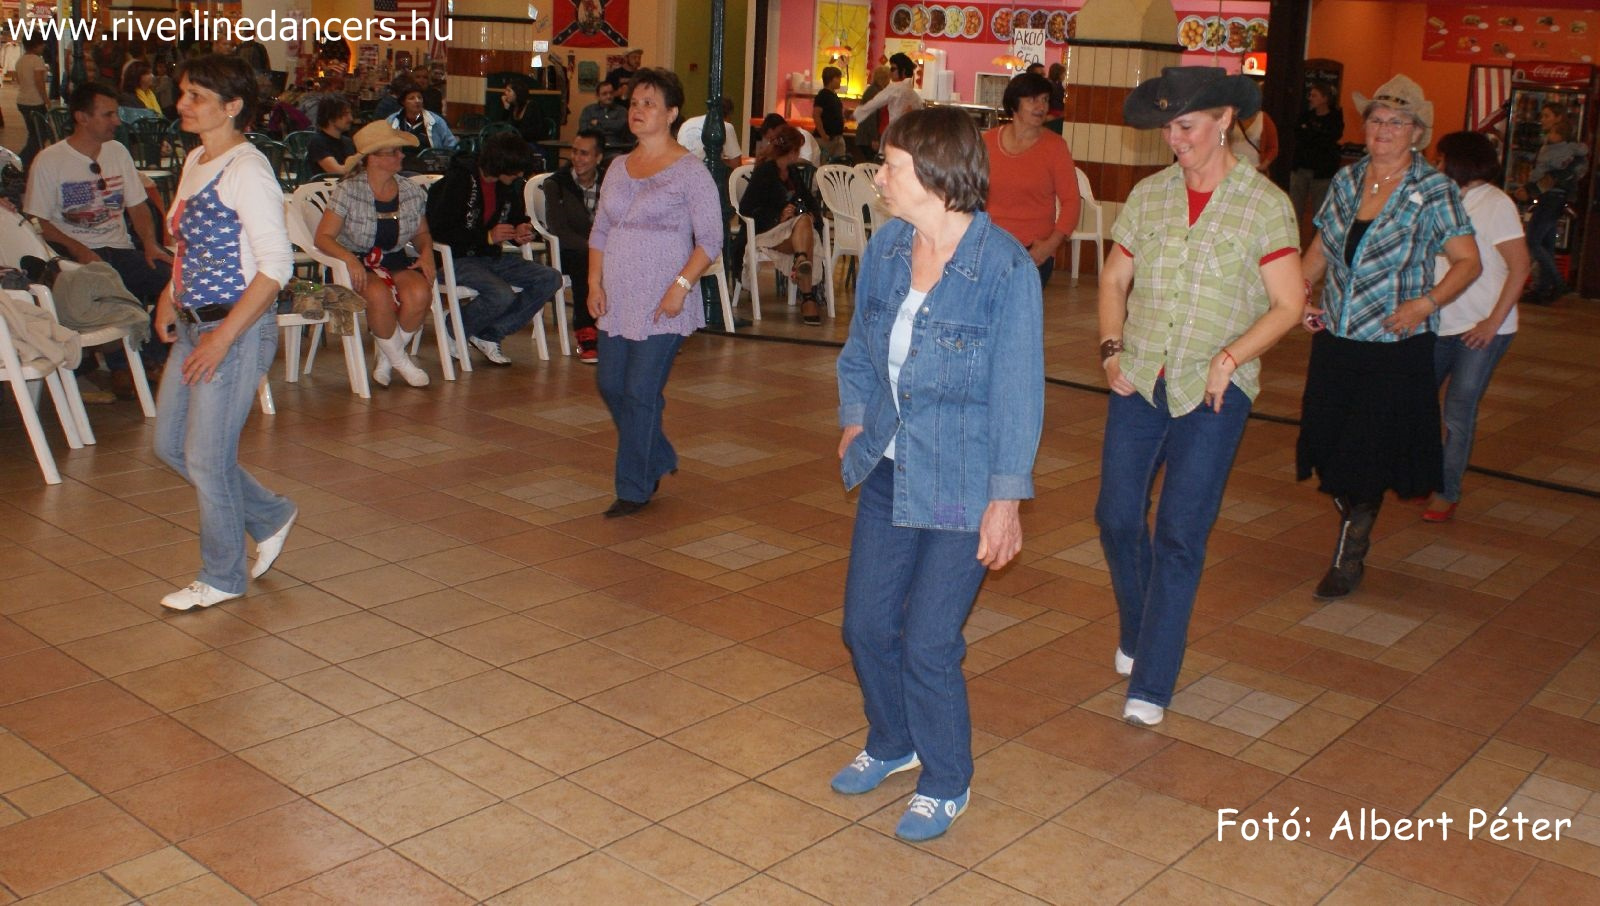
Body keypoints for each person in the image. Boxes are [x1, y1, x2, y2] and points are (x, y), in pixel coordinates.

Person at [833, 106, 1043, 842]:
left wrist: (1006, 502)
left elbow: (1019, 395)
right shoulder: (890, 247)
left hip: (965, 479)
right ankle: (893, 741)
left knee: (927, 641)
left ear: (934, 176)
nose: (879, 178)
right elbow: (860, 349)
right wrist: (857, 415)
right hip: (891, 464)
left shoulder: (1005, 270)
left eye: (889, 166)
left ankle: (946, 778)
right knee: (864, 626)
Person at [1095, 67, 1303, 728]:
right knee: (1116, 517)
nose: (1173, 139)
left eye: (1184, 126)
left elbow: (1290, 304)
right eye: (1167, 128)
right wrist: (1109, 346)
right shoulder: (1150, 197)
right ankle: (1141, 624)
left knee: (1180, 535)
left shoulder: (1262, 204)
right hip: (1141, 376)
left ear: (1223, 121)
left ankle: (1152, 681)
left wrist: (1231, 356)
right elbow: (1113, 278)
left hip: (1214, 393)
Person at [1298, 74, 1481, 601]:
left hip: (1397, 345)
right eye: (1376, 119)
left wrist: (1425, 304)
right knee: (1330, 449)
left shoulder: (1434, 190)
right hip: (1338, 338)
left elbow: (1468, 262)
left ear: (1417, 133)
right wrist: (1302, 297)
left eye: (1397, 122)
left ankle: (1349, 554)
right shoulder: (1346, 180)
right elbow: (1319, 251)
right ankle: (1355, 517)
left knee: (1368, 451)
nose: (1383, 129)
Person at [152, 54, 297, 612]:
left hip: (234, 329)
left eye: (196, 96)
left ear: (232, 107)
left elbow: (275, 265)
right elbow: (187, 245)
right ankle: (269, 512)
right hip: (195, 323)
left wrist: (224, 337)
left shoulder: (248, 170)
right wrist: (170, 293)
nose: (182, 104)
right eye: (183, 93)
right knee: (172, 447)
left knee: (207, 459)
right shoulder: (196, 159)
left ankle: (223, 575)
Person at [587, 68, 722, 517]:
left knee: (641, 391)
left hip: (664, 300)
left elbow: (711, 240)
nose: (638, 111)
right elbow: (601, 230)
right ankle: (657, 453)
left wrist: (681, 287)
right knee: (610, 384)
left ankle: (633, 488)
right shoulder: (617, 167)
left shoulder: (690, 170)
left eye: (648, 103)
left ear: (671, 113)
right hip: (618, 296)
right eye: (634, 103)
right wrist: (593, 282)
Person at [25, 81, 174, 399]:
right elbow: (43, 223)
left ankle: (149, 358)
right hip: (77, 253)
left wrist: (149, 243)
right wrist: (81, 251)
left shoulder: (117, 152)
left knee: (173, 281)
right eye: (108, 115)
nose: (117, 121)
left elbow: (137, 206)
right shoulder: (50, 161)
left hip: (121, 247)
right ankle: (122, 367)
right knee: (109, 286)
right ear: (82, 117)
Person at [1426, 132, 1529, 523]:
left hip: (1482, 326)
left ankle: (1446, 491)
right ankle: (1426, 475)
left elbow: (1520, 268)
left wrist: (1492, 322)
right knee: (1419, 403)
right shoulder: (1444, 199)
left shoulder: (1495, 203)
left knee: (1457, 411)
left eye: (1442, 159)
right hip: (1440, 322)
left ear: (1461, 162)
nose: (1437, 166)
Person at [315, 121, 437, 388]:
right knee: (378, 294)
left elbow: (422, 234)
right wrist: (348, 259)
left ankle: (387, 358)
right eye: (393, 152)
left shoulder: (410, 191)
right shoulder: (349, 190)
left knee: (420, 293)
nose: (401, 156)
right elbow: (323, 237)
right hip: (354, 261)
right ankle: (402, 362)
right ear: (373, 158)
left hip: (392, 259)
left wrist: (426, 253)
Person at [425, 131, 560, 367]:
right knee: (501, 294)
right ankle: (454, 326)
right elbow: (439, 230)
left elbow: (517, 217)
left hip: (490, 258)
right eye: (515, 169)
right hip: (455, 259)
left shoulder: (508, 186)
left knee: (549, 278)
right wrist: (486, 236)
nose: (519, 175)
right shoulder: (459, 180)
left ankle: (488, 333)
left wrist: (522, 230)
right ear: (500, 164)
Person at [983, 71, 1079, 286]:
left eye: (1045, 100)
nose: (1041, 107)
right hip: (988, 248)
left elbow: (1071, 202)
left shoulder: (1055, 147)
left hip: (1034, 252)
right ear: (1014, 104)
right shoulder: (986, 142)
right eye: (1032, 100)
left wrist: (1049, 246)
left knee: (1020, 318)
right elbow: (969, 193)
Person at [739, 125, 824, 325]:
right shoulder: (765, 172)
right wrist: (779, 215)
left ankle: (801, 260)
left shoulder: (792, 173)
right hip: (766, 231)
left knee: (804, 224)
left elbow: (810, 201)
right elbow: (747, 208)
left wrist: (811, 214)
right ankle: (808, 298)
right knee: (805, 231)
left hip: (789, 233)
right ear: (792, 150)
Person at [543, 129, 606, 363]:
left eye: (585, 154)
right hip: (569, 251)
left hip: (604, 249)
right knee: (585, 261)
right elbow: (558, 229)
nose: (578, 158)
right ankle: (585, 332)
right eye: (575, 152)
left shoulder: (611, 182)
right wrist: (594, 249)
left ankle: (634, 329)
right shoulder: (556, 185)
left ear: (598, 158)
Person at [1516, 104, 1587, 303]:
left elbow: (1552, 175)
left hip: (1549, 198)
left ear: (1558, 119)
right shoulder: (1573, 149)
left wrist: (1530, 189)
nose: (1542, 119)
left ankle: (1557, 282)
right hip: (1557, 198)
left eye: (1547, 116)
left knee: (1532, 241)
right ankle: (1544, 288)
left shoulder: (1556, 149)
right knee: (1546, 243)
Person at [1290, 81, 1344, 230]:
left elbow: (1328, 139)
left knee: (1320, 211)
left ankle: (1316, 246)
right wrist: (1313, 134)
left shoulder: (1334, 119)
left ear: (1324, 98)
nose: (1310, 98)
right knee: (1295, 209)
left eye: (1314, 95)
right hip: (1300, 168)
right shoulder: (1305, 116)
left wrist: (1310, 133)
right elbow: (1299, 135)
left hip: (1322, 172)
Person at [853, 53, 923, 135]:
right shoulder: (914, 95)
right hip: (907, 135)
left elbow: (874, 103)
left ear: (903, 71)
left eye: (893, 69)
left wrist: (856, 114)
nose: (890, 72)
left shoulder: (895, 88)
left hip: (893, 132)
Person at [386, 83, 457, 156]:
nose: (417, 101)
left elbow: (452, 146)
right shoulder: (392, 120)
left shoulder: (437, 121)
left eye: (420, 98)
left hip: (428, 164)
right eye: (411, 98)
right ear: (403, 102)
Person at [677, 97, 743, 169]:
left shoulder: (688, 122)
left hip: (678, 169)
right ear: (729, 114)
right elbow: (736, 164)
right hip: (702, 172)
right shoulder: (726, 127)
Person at [16, 38, 49, 167]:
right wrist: (46, 99)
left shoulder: (20, 60)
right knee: (41, 134)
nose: (43, 47)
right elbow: (39, 82)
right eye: (42, 45)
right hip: (35, 102)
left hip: (22, 100)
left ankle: (27, 161)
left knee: (33, 133)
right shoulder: (37, 61)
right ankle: (22, 161)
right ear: (36, 46)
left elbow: (19, 80)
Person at [306, 96, 355, 176]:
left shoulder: (348, 142)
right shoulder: (318, 142)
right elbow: (336, 171)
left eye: (350, 114)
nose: (350, 118)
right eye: (345, 114)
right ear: (331, 118)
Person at [854, 65, 892, 161]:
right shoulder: (875, 92)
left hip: (866, 136)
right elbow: (871, 117)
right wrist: (874, 138)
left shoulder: (873, 90)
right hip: (867, 138)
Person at [578, 81, 631, 149]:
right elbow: (583, 130)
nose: (608, 96)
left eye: (611, 93)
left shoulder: (622, 111)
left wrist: (598, 123)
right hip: (593, 148)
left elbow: (620, 127)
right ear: (597, 96)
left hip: (615, 148)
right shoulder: (589, 110)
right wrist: (611, 126)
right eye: (604, 94)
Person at [813, 66, 847, 161]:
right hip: (826, 139)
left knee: (840, 163)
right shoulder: (822, 95)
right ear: (832, 79)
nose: (840, 80)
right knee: (823, 163)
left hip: (837, 137)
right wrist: (823, 134)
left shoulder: (834, 95)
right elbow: (816, 115)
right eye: (838, 78)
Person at [1230, 108, 1278, 172]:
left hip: (1255, 169)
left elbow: (1273, 147)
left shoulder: (1263, 118)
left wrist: (1263, 165)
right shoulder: (1230, 117)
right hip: (1232, 168)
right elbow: (1221, 142)